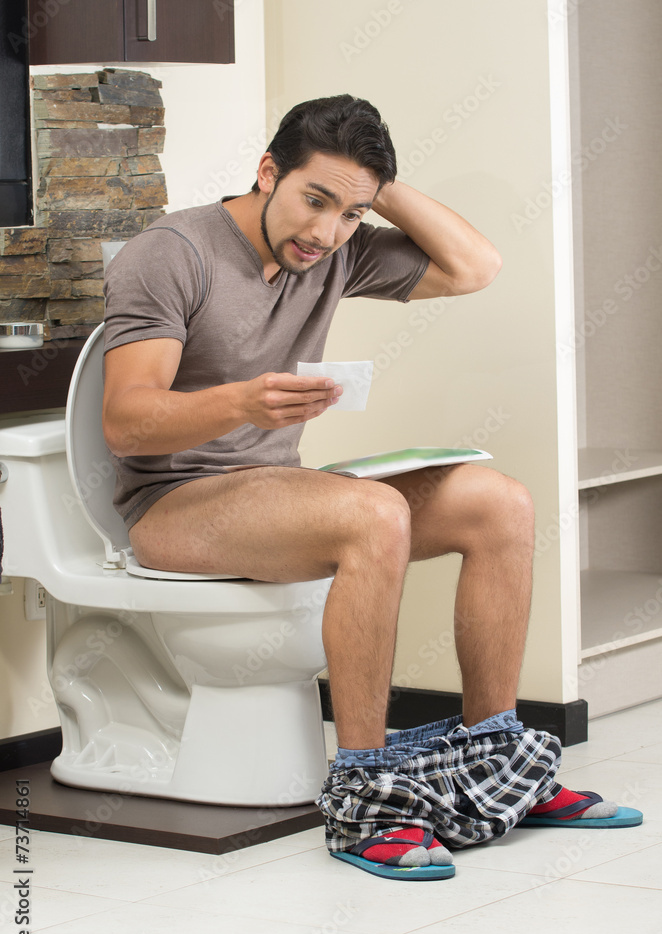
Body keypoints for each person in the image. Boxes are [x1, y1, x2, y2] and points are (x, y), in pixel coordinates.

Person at [102, 95, 640, 881]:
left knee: (500, 503)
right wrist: (241, 403)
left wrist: (372, 192)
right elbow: (126, 422)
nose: (324, 233)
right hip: (173, 504)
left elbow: (474, 267)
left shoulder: (337, 249)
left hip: (273, 492)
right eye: (313, 199)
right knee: (374, 515)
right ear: (267, 172)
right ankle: (366, 801)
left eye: (349, 214)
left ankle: (500, 769)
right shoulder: (173, 251)